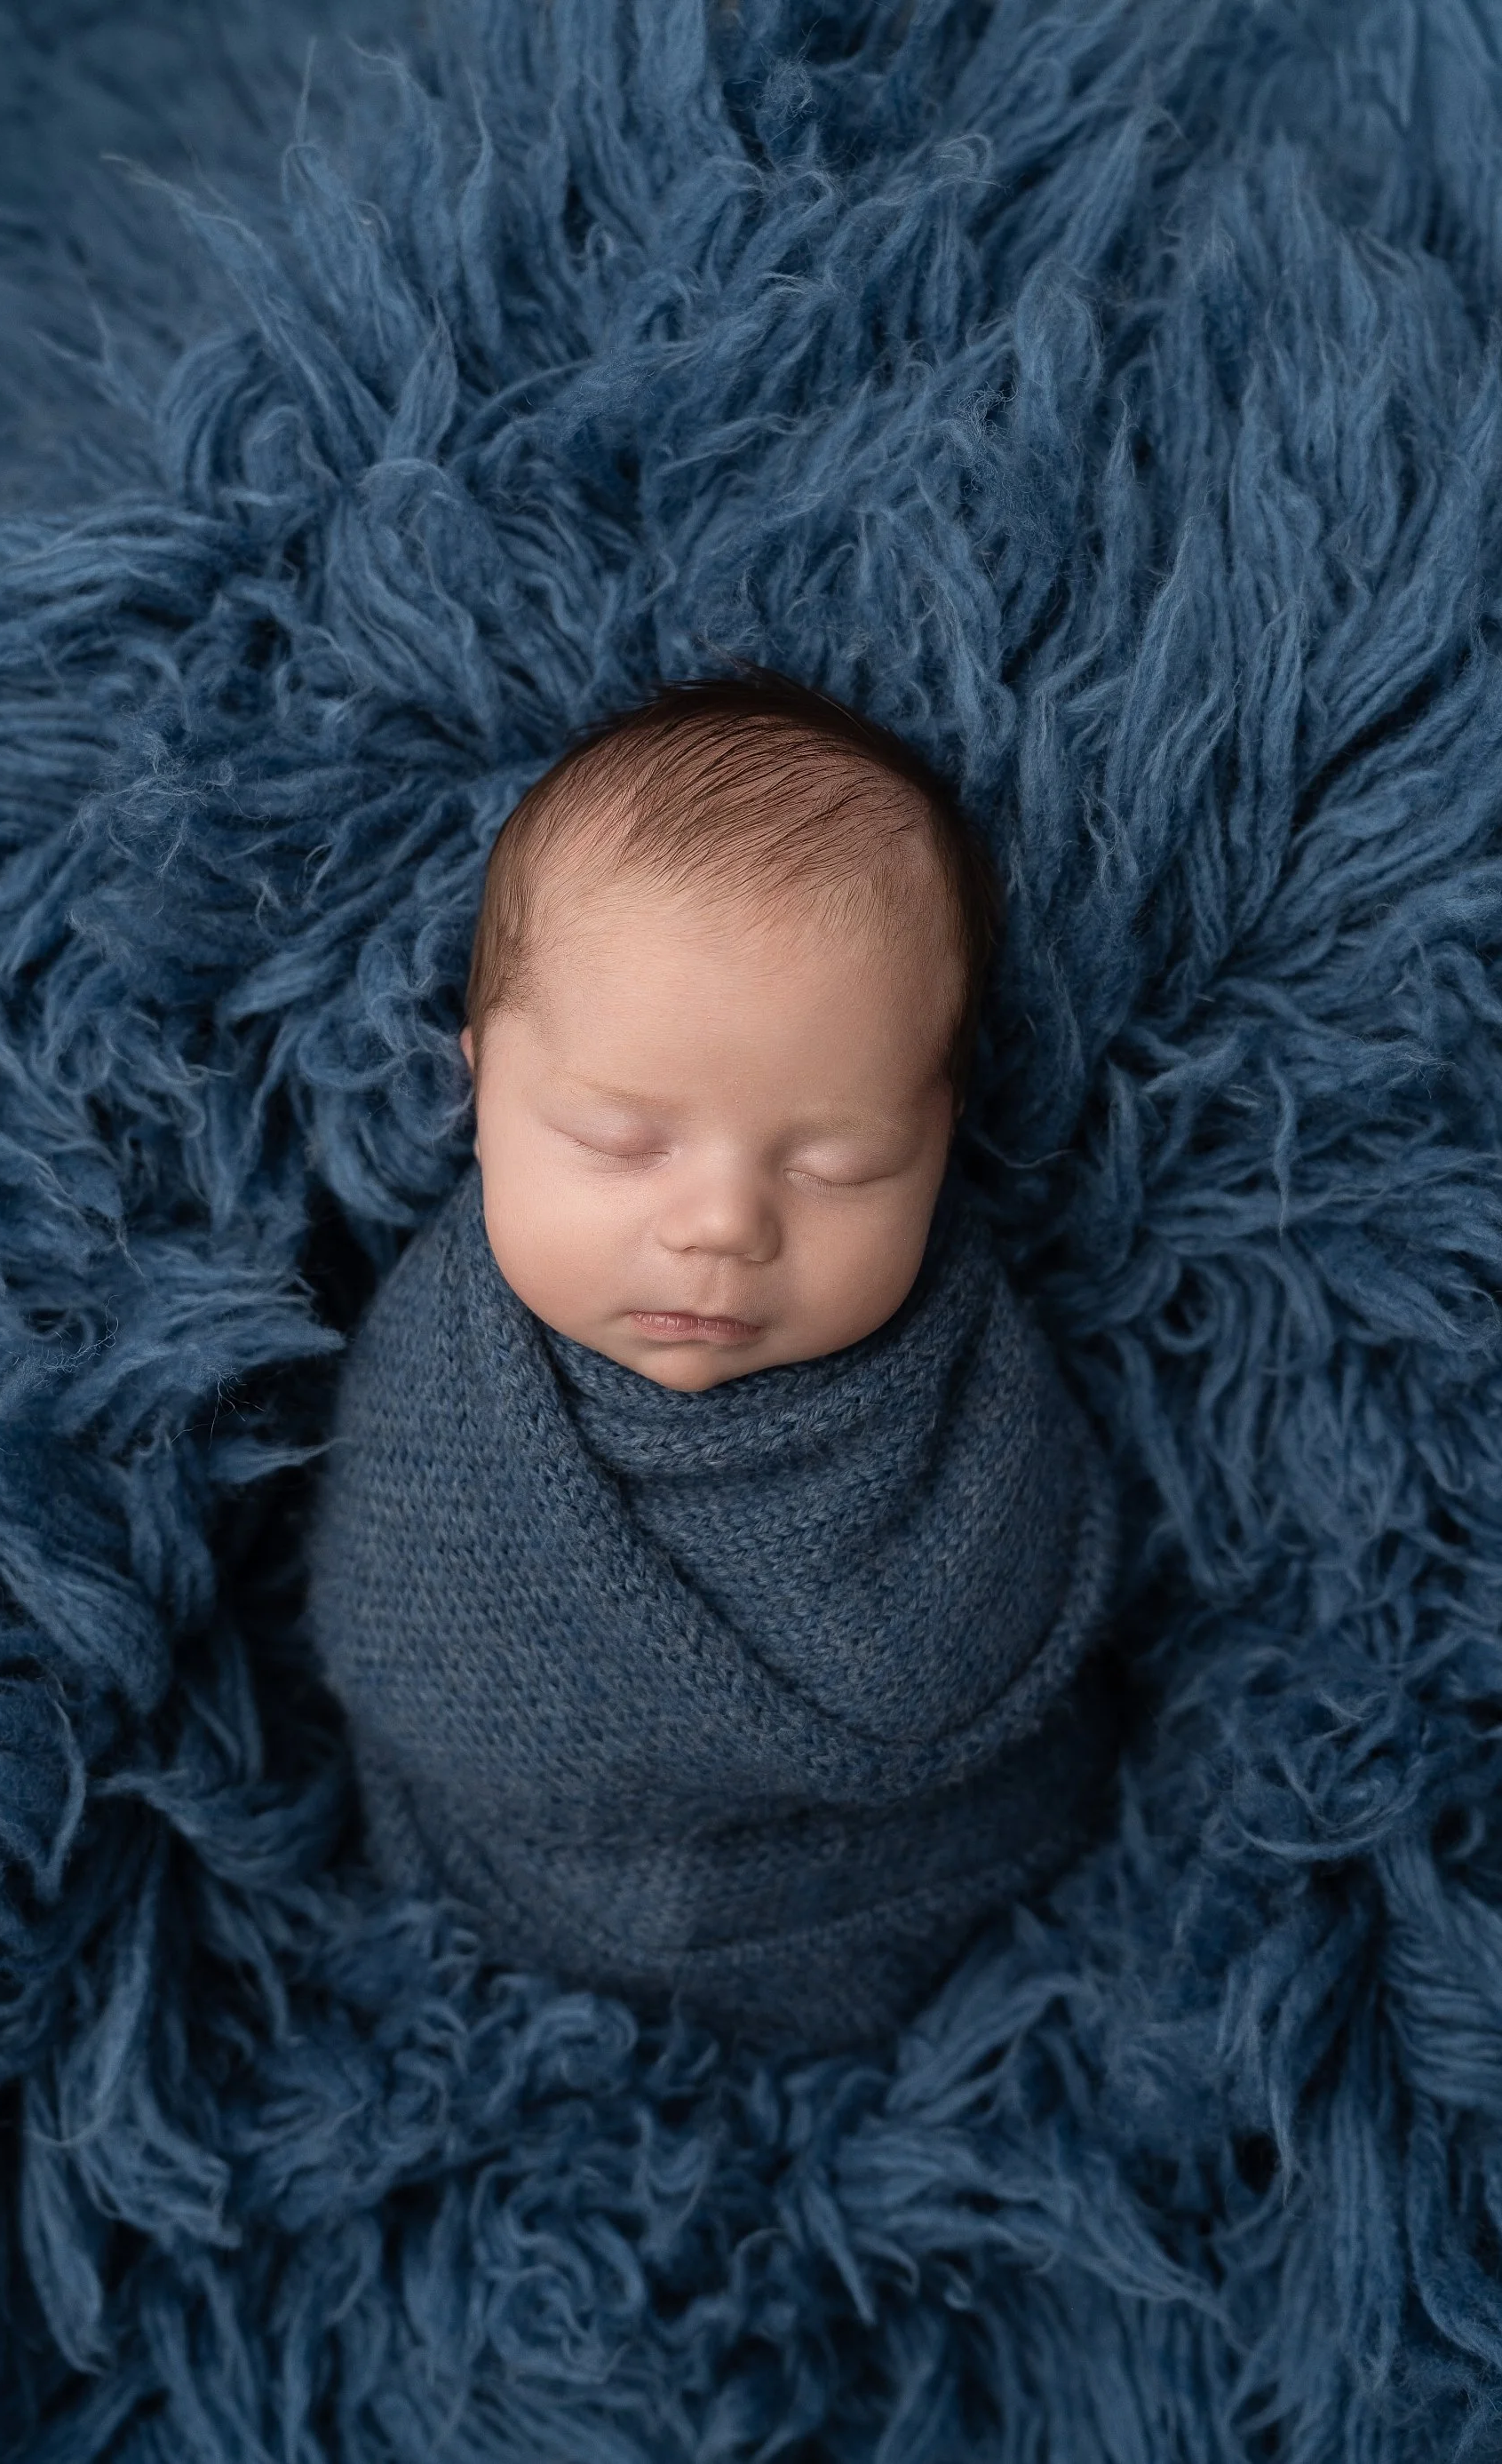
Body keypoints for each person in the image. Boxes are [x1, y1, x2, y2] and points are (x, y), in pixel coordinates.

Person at [308, 673, 1119, 2053]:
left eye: (839, 1163)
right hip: (488, 1949)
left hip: (953, 1945)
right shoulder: (438, 1383)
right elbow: (386, 1623)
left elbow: (1024, 1605)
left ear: (943, 1138)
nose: (722, 1225)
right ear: (479, 1091)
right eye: (621, 1143)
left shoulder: (969, 1387)